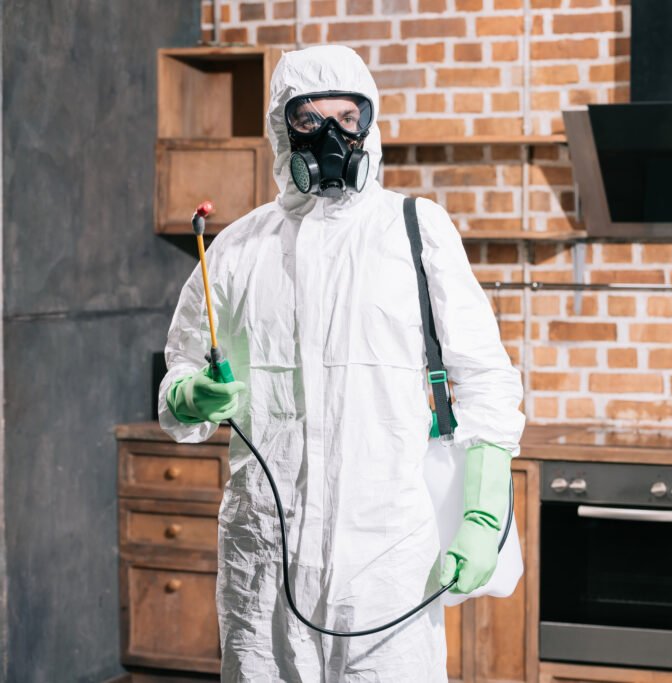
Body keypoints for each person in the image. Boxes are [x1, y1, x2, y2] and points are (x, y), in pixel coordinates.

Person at [158, 44, 525, 682]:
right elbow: (176, 380)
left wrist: (482, 514)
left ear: (367, 123)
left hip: (388, 558)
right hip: (264, 563)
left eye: (347, 117)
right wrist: (192, 395)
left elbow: (487, 379)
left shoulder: (417, 230)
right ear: (283, 126)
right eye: (310, 119)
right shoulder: (239, 249)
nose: (331, 134)